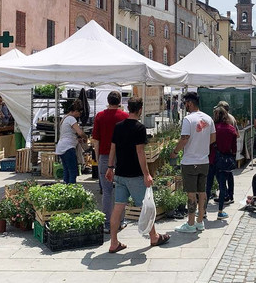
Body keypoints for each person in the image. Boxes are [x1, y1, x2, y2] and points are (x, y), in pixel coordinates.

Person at [105, 97, 170, 253]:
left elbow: (112, 148)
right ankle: (154, 237)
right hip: (134, 175)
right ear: (140, 109)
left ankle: (113, 242)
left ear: (128, 108)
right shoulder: (139, 128)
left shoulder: (118, 126)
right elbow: (140, 153)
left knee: (118, 207)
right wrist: (147, 174)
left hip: (119, 173)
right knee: (145, 206)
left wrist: (109, 167)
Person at [171, 92, 216, 233]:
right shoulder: (208, 118)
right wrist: (201, 145)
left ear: (189, 103)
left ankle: (190, 224)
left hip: (190, 161)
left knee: (191, 193)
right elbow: (213, 138)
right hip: (204, 160)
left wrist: (175, 151)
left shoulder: (188, 119)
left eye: (185, 104)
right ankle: (200, 221)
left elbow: (184, 138)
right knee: (202, 192)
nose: (185, 106)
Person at [91, 91, 129, 234]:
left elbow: (96, 140)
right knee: (121, 189)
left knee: (106, 191)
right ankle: (120, 221)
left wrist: (98, 156)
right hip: (122, 157)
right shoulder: (124, 116)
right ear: (119, 101)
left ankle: (107, 223)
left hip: (105, 156)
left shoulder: (100, 116)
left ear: (108, 101)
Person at [209, 107, 238, 220]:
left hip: (212, 159)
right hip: (224, 160)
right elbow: (234, 148)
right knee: (222, 186)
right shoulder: (231, 129)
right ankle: (220, 211)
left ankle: (204, 211)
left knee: (208, 186)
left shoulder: (213, 128)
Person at [55, 100, 88, 184]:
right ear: (76, 111)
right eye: (79, 113)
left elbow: (68, 133)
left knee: (67, 170)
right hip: (68, 148)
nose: (79, 115)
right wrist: (85, 137)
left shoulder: (65, 118)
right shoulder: (71, 119)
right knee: (73, 171)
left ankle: (66, 188)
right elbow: (80, 132)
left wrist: (76, 139)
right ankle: (72, 190)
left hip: (61, 147)